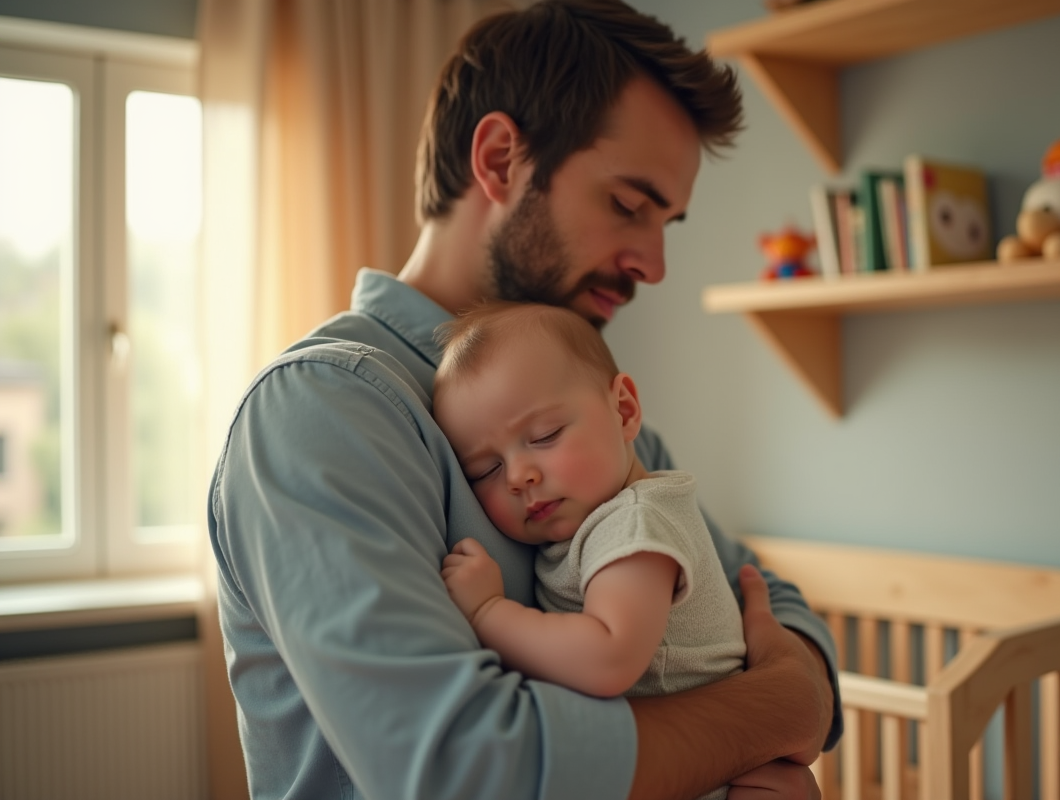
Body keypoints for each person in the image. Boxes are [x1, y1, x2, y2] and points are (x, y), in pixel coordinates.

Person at [207, 2, 843, 799]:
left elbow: (761, 596)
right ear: (501, 159)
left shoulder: (604, 428)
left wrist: (801, 684)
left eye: (667, 223)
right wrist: (776, 711)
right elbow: (473, 772)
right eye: (628, 205)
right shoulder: (323, 414)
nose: (654, 265)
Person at [435, 302, 748, 800]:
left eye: (544, 436)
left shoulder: (634, 522)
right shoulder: (594, 520)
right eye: (486, 470)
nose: (518, 476)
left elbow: (609, 657)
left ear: (624, 411)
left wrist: (488, 611)